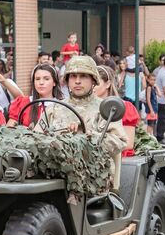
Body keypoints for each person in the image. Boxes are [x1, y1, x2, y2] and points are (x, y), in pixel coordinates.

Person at [41, 56, 127, 194]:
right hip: (54, 176)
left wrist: (87, 134)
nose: (78, 81)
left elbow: (120, 142)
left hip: (94, 180)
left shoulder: (106, 109)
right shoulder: (53, 109)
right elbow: (36, 138)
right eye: (73, 76)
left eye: (83, 76)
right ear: (67, 80)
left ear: (93, 80)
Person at [95, 65, 137, 157]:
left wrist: (97, 147)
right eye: (91, 83)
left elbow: (128, 143)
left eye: (96, 83)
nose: (92, 87)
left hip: (117, 157)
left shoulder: (124, 107)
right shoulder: (85, 107)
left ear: (107, 84)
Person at [7, 64, 63, 128]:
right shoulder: (24, 102)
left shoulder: (63, 106)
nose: (41, 82)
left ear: (54, 82)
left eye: (46, 79)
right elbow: (9, 130)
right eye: (37, 79)